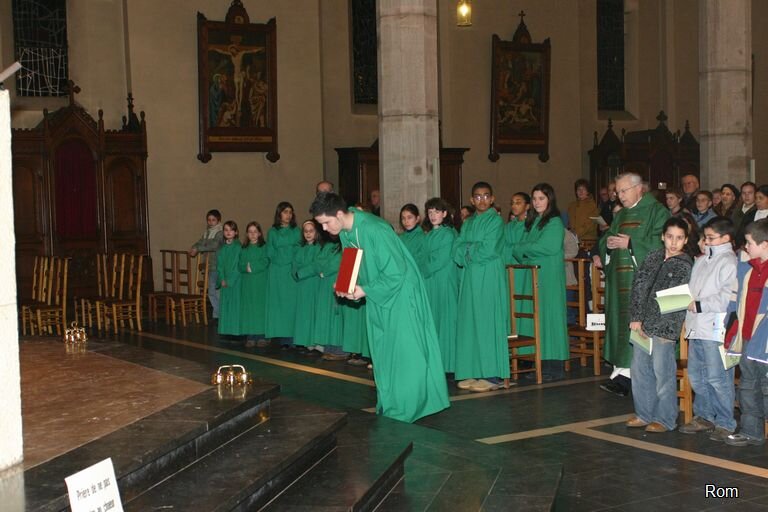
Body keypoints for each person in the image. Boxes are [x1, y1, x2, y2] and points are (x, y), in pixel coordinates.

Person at [310, 192, 450, 423]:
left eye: (325, 222)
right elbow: (353, 264)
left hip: (400, 294)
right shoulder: (345, 231)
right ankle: (392, 402)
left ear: (339, 214)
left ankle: (410, 406)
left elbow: (397, 272)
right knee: (383, 351)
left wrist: (364, 290)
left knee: (405, 352)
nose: (324, 229)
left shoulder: (375, 229)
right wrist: (346, 286)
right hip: (378, 293)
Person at [597, 172, 670, 396]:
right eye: (617, 191)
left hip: (642, 282)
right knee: (620, 324)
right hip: (619, 280)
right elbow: (607, 237)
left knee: (637, 326)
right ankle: (620, 373)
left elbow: (664, 243)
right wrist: (608, 244)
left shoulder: (658, 211)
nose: (619, 196)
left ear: (639, 189)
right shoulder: (620, 215)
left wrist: (631, 243)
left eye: (623, 191)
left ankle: (632, 377)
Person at [625, 217, 693, 432]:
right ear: (663, 236)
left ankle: (665, 419)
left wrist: (650, 326)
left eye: (679, 238)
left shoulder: (684, 264)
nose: (674, 242)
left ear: (686, 240)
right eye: (670, 237)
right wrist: (636, 318)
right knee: (639, 370)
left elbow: (674, 301)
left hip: (665, 327)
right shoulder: (652, 256)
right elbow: (638, 287)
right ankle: (644, 414)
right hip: (641, 324)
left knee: (663, 374)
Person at [679, 217, 738, 440]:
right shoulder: (702, 261)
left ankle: (725, 421)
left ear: (726, 238)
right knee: (697, 375)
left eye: (711, 238)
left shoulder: (729, 262)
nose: (706, 242)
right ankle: (705, 415)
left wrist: (699, 305)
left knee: (718, 377)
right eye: (705, 237)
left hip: (716, 327)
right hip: (697, 326)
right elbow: (692, 290)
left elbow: (727, 297)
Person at [453, 182, 510, 392]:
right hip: (470, 277)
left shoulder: (495, 221)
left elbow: (489, 249)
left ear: (492, 199)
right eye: (477, 197)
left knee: (487, 321)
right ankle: (473, 370)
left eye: (486, 196)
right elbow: (456, 249)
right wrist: (469, 249)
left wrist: (468, 249)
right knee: (469, 322)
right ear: (471, 200)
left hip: (489, 276)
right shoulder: (468, 223)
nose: (482, 200)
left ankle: (492, 375)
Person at [512, 183, 569, 381]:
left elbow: (547, 246)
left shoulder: (554, 222)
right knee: (538, 319)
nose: (537, 202)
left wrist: (524, 248)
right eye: (534, 199)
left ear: (550, 199)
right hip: (535, 274)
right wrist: (525, 248)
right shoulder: (534, 221)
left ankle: (554, 367)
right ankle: (539, 363)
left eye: (541, 198)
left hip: (549, 276)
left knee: (550, 318)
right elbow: (526, 246)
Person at [722, 219, 768, 447]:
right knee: (748, 386)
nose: (745, 246)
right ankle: (752, 431)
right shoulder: (746, 270)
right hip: (747, 338)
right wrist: (731, 331)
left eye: (749, 243)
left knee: (766, 387)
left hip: (765, 342)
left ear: (765, 245)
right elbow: (735, 304)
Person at [421, 197, 459, 374]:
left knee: (446, 321)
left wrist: (421, 271)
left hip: (444, 282)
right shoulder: (430, 235)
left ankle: (448, 364)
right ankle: (435, 363)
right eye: (430, 212)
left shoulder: (448, 234)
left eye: (437, 212)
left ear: (444, 214)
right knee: (434, 320)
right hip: (431, 282)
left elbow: (440, 260)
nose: (433, 215)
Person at [265, 202, 300, 347]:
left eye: (290, 212)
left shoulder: (296, 231)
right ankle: (279, 336)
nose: (288, 215)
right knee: (278, 304)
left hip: (291, 270)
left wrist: (291, 263)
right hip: (277, 271)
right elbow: (270, 251)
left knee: (291, 304)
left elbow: (299, 249)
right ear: (279, 213)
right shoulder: (273, 231)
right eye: (285, 212)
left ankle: (292, 337)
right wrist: (280, 260)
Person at [292, 220, 323, 351]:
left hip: (315, 285)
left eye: (311, 231)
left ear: (316, 232)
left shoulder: (320, 248)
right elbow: (295, 266)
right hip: (303, 286)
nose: (308, 234)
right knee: (304, 314)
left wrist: (302, 272)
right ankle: (306, 342)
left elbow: (317, 266)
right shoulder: (300, 249)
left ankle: (318, 342)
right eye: (306, 231)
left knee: (315, 312)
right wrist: (297, 274)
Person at [189, 209, 224, 320]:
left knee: (213, 292)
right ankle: (217, 315)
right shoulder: (207, 232)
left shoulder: (220, 232)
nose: (211, 222)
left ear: (218, 220)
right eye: (209, 220)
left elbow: (214, 245)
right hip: (209, 265)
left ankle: (220, 314)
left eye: (213, 220)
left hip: (217, 265)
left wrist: (199, 248)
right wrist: (194, 247)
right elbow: (200, 242)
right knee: (215, 292)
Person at [240, 222, 268, 348]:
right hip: (248, 283)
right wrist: (245, 268)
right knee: (249, 309)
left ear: (260, 233)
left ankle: (261, 336)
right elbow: (240, 264)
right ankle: (250, 336)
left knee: (260, 309)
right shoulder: (244, 248)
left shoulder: (264, 247)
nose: (252, 234)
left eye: (255, 231)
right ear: (247, 234)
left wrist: (253, 266)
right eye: (250, 232)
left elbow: (266, 260)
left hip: (260, 281)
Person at [216, 221, 243, 336]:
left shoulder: (238, 247)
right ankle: (226, 330)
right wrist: (222, 278)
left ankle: (235, 330)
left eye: (231, 230)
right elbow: (220, 266)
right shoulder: (222, 249)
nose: (228, 232)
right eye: (226, 230)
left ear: (236, 232)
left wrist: (229, 280)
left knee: (235, 305)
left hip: (235, 281)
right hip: (224, 281)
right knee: (226, 305)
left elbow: (238, 266)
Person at [567, 179, 600, 245]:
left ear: (588, 191)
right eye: (578, 189)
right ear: (576, 192)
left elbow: (589, 225)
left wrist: (575, 234)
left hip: (587, 241)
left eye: (583, 189)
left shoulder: (592, 206)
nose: (581, 191)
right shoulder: (572, 206)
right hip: (573, 240)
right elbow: (569, 223)